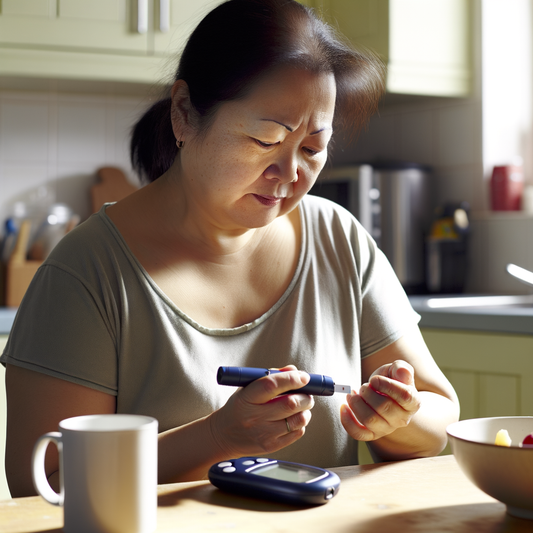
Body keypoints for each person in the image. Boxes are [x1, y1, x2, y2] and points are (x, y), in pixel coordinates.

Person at [2, 0, 459, 497]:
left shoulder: (339, 240)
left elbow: (439, 411)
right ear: (183, 115)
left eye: (312, 148)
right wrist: (217, 437)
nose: (289, 174)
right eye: (265, 140)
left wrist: (397, 418)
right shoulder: (88, 271)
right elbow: (41, 484)